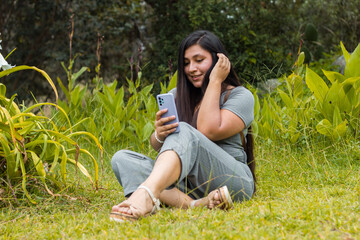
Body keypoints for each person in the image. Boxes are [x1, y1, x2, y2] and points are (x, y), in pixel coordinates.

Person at [110, 30, 256, 222]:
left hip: (231, 181)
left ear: (218, 61)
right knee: (122, 159)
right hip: (187, 183)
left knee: (186, 130)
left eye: (199, 60)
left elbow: (208, 129)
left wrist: (215, 80)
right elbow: (163, 145)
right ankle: (195, 204)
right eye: (186, 63)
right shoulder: (177, 95)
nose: (191, 68)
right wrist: (160, 134)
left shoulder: (240, 96)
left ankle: (146, 195)